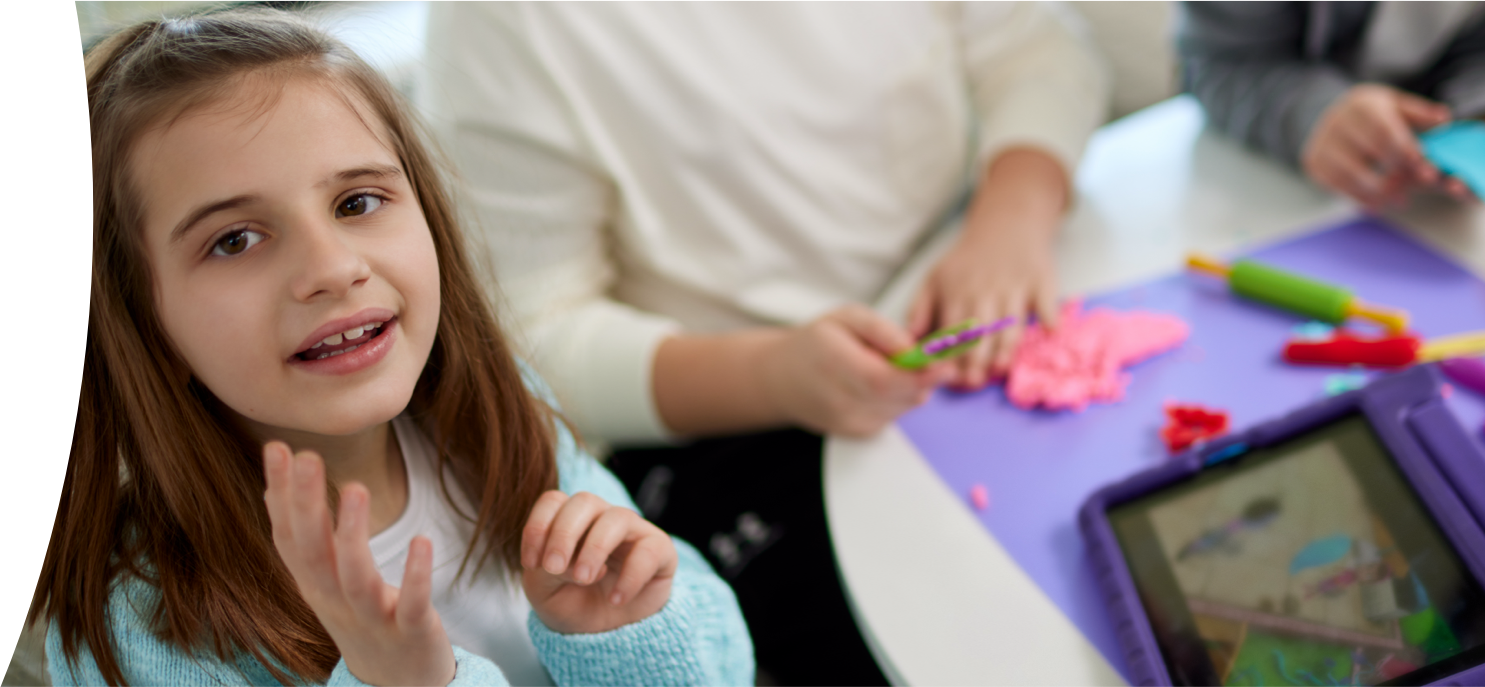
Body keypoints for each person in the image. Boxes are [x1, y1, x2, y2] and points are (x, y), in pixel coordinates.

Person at [41, 9, 752, 686]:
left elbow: (721, 659)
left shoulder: (504, 415)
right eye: (234, 240)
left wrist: (621, 632)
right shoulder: (139, 628)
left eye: (356, 203)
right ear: (140, 324)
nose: (332, 268)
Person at [422, 1, 1108, 682]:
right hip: (734, 417)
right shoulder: (501, 25)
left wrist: (1009, 218)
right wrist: (773, 374)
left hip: (976, 291)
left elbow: (1039, 49)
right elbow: (527, 344)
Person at [1179, 0, 1485, 211]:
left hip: (1429, 205)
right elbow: (1220, 62)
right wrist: (1315, 111)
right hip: (1256, 189)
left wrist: (1468, 111)